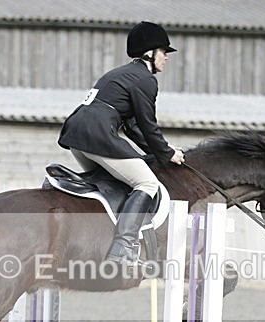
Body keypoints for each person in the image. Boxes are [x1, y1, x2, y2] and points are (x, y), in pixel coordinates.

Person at [58, 21, 185, 264]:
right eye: (164, 51)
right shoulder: (145, 79)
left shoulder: (118, 73)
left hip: (77, 134)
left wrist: (161, 152)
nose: (167, 57)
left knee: (111, 185)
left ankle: (95, 237)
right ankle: (123, 248)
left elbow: (131, 126)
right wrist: (167, 153)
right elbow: (148, 124)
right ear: (150, 53)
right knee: (147, 183)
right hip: (97, 135)